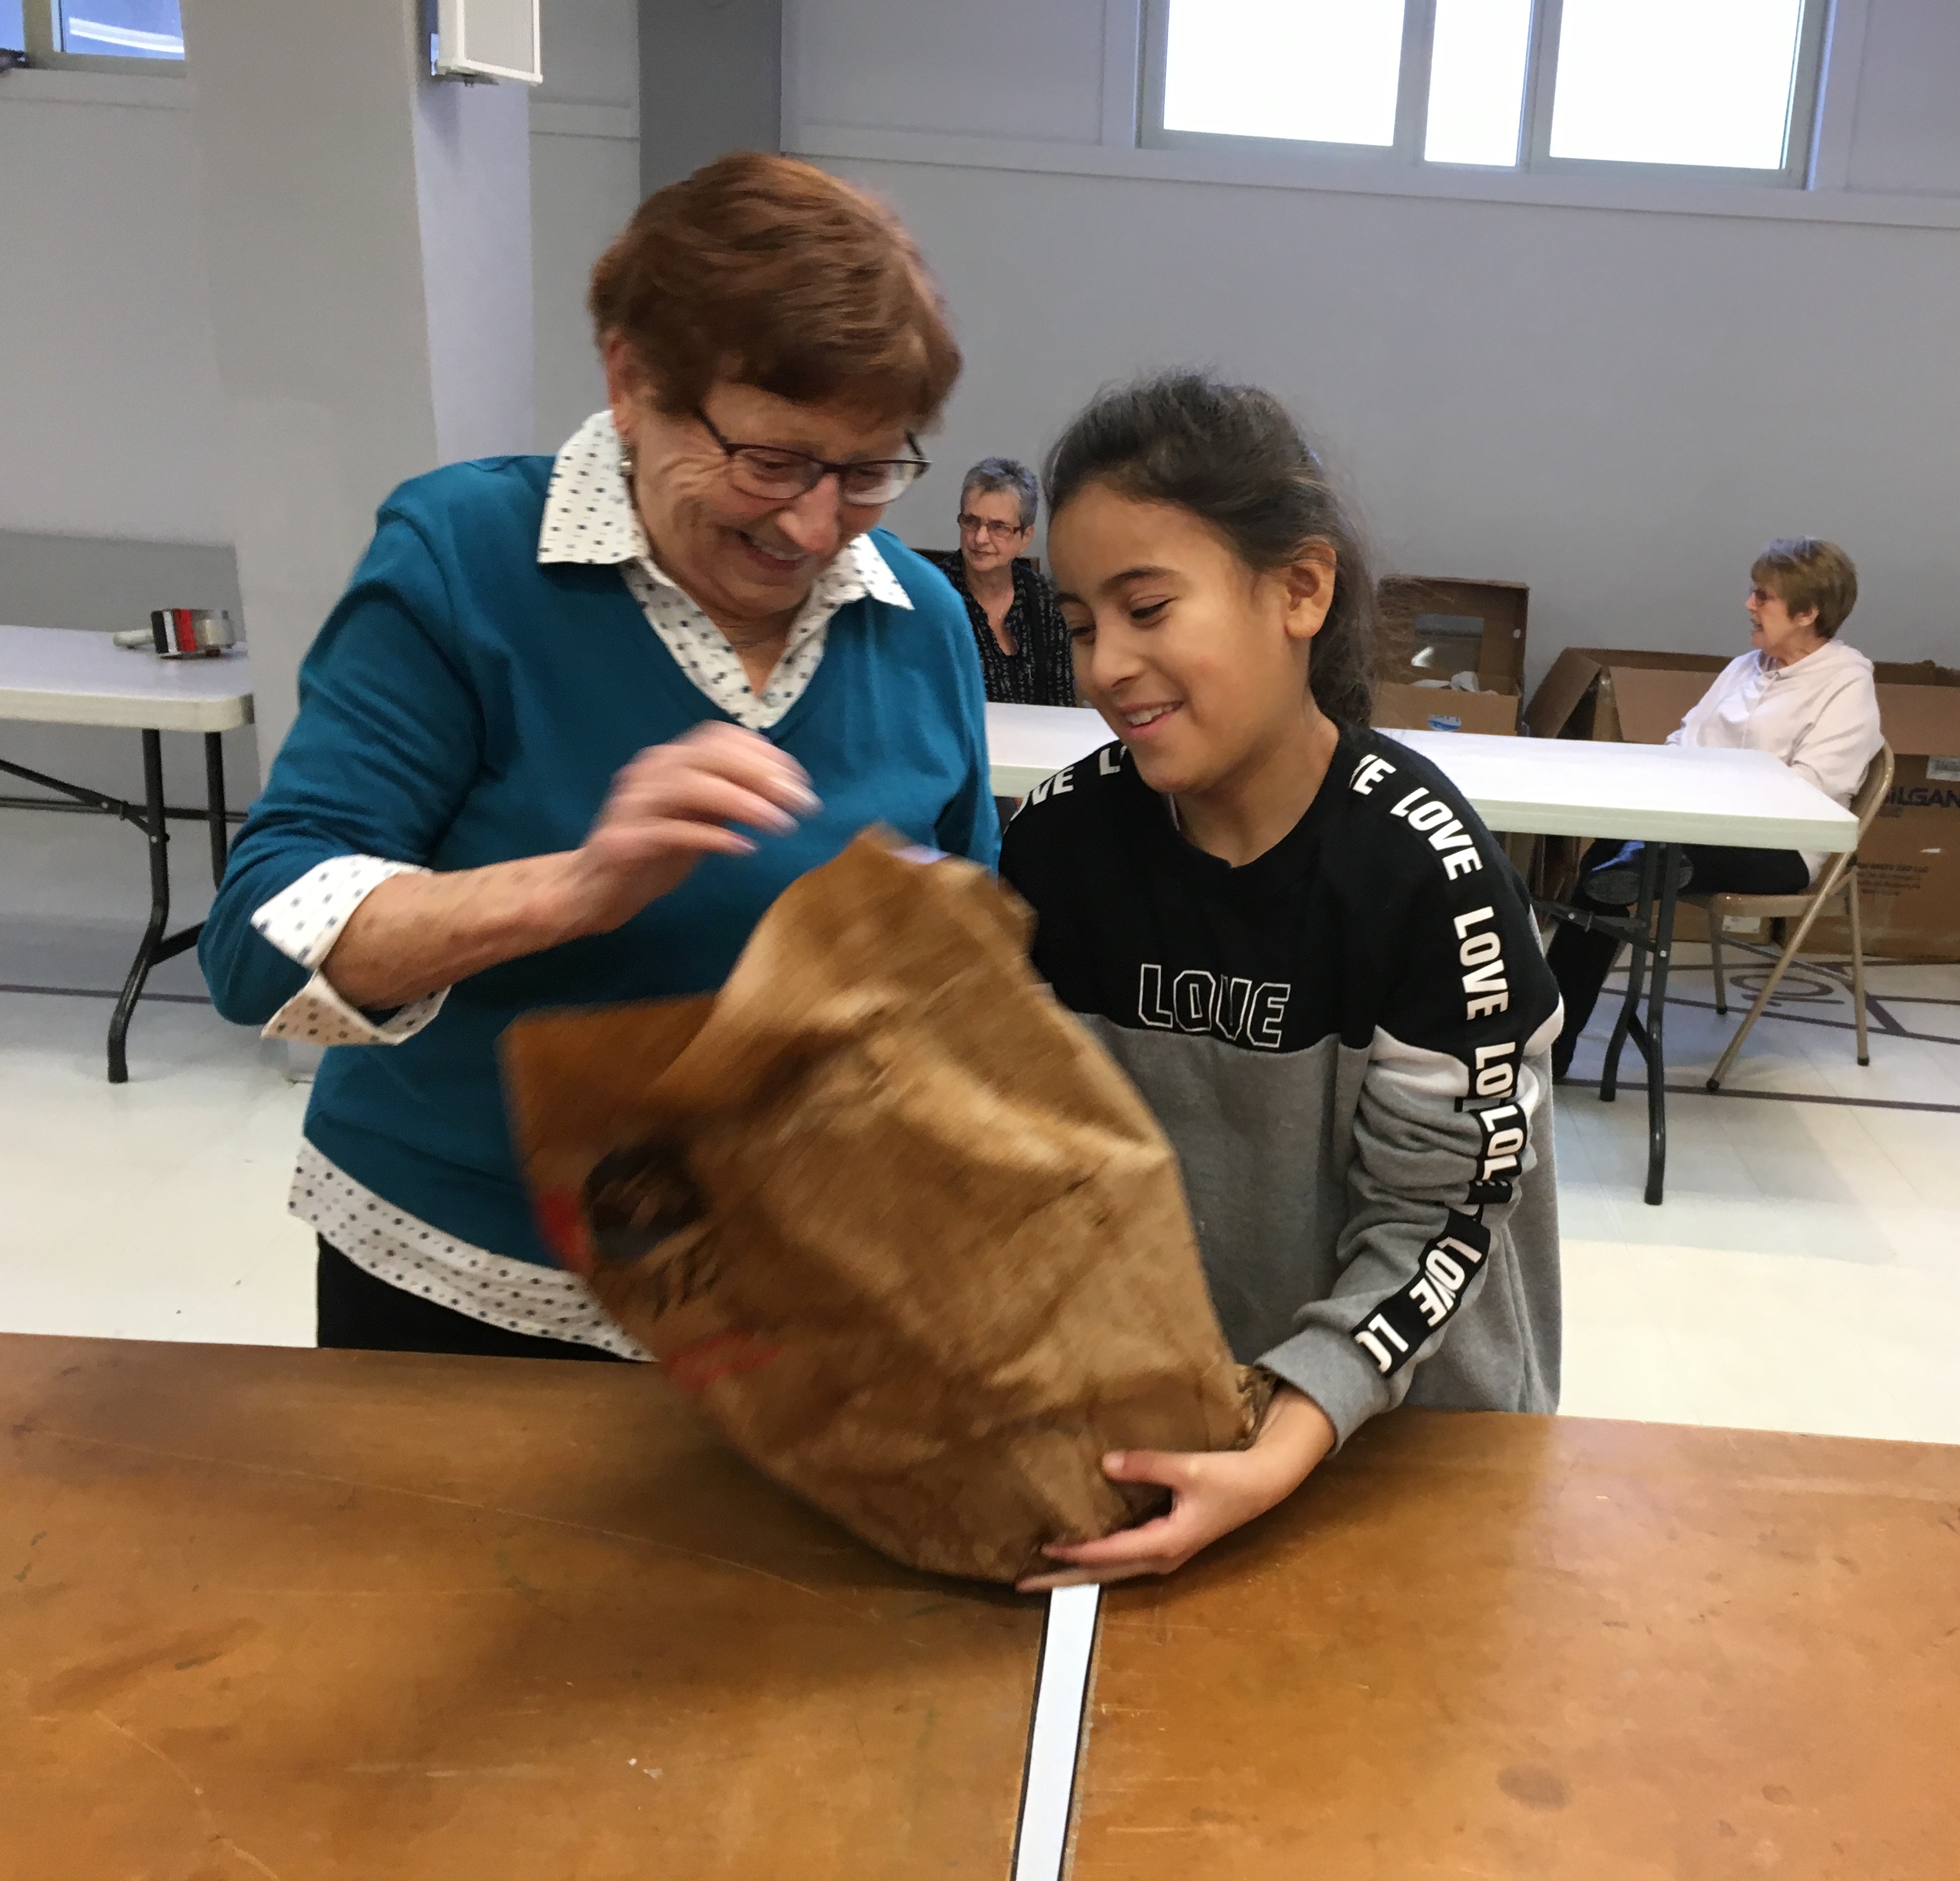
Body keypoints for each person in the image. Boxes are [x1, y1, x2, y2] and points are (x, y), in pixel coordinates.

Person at [200, 154, 995, 1362]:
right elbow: (256, 946)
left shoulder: (920, 622)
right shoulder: (466, 557)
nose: (814, 526)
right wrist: (572, 889)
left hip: (788, 1300)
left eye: (870, 471)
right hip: (473, 1294)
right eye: (770, 462)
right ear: (631, 381)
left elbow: (969, 951)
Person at [998, 373, 1563, 1591]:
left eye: (1149, 607)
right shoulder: (1058, 848)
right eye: (1083, 623)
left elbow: (1438, 1225)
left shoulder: (1427, 874)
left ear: (1301, 589)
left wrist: (1284, 1443)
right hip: (1182, 1435)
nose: (1108, 664)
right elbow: (1035, 1154)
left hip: (1404, 1459)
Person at [1545, 538, 1882, 1080]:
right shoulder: (1746, 666)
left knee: (1629, 865)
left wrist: (1707, 802)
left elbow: (1810, 790)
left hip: (1782, 847)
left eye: (1762, 596)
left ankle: (1547, 1047)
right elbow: (1686, 739)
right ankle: (1550, 1036)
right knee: (1604, 860)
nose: (1749, 605)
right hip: (1695, 824)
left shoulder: (1847, 683)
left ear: (1807, 613)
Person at [927, 457, 1077, 705]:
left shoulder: (1044, 600)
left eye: (999, 527)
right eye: (971, 521)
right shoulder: (933, 595)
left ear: (1025, 538)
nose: (980, 538)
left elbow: (1061, 707)